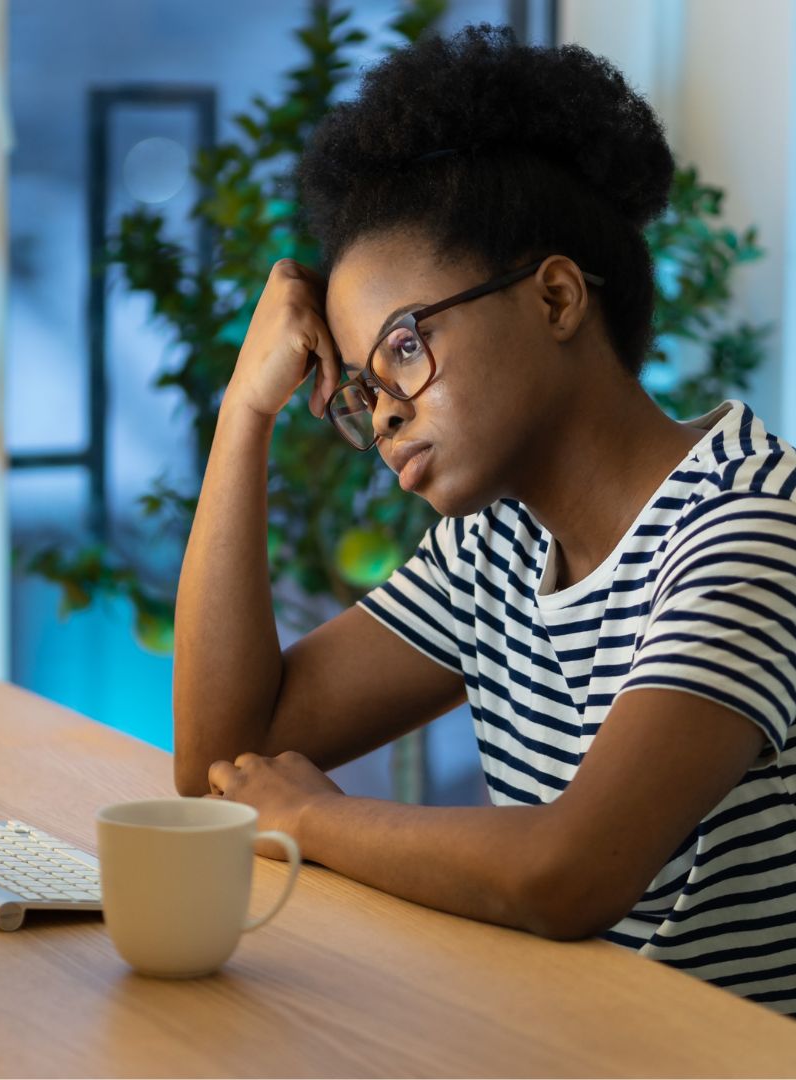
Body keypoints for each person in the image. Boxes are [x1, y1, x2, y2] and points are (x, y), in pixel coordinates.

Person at [171, 24, 796, 1016]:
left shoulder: (751, 528)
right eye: (364, 390)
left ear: (554, 298)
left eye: (405, 349)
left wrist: (315, 820)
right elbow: (222, 759)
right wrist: (245, 411)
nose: (385, 416)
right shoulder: (495, 548)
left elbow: (570, 872)